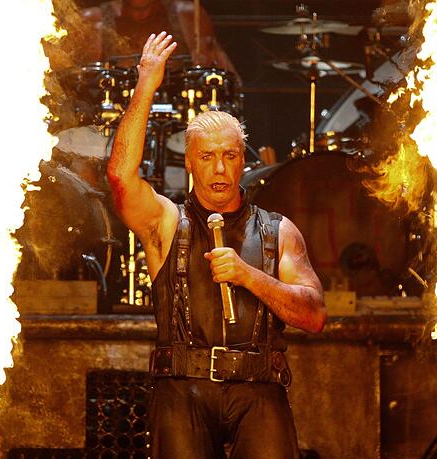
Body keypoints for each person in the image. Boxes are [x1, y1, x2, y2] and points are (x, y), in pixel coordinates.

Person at [106, 32, 326, 458]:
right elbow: (120, 177)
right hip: (182, 390)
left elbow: (315, 315)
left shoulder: (279, 231)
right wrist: (146, 83)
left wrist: (250, 277)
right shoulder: (166, 222)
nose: (219, 169)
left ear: (244, 161)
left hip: (258, 389)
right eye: (207, 157)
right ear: (189, 163)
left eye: (229, 155)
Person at [82, 0, 239, 77]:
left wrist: (205, 63)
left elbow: (230, 77)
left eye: (146, 8)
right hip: (115, 113)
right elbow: (83, 79)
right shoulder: (94, 21)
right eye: (134, 10)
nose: (141, 15)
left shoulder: (189, 16)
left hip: (177, 113)